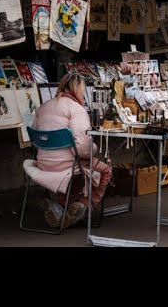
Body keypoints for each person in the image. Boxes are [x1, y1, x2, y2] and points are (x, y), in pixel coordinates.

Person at [31, 73, 113, 229]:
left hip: (43, 163)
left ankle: (61, 208)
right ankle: (85, 206)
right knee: (105, 170)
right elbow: (83, 149)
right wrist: (95, 148)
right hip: (68, 164)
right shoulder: (76, 109)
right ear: (78, 90)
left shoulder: (43, 107)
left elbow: (35, 137)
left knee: (79, 172)